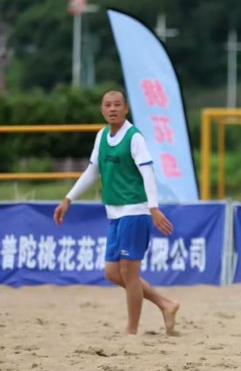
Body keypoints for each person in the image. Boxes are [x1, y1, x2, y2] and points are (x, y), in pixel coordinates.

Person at [53, 89, 180, 336]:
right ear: (102, 109)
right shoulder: (102, 136)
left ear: (126, 108)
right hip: (114, 213)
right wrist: (68, 199)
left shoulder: (134, 137)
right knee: (112, 273)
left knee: (129, 273)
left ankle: (131, 331)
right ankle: (166, 304)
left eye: (117, 104)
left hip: (135, 210)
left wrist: (153, 208)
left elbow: (148, 172)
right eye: (108, 105)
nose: (112, 109)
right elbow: (92, 171)